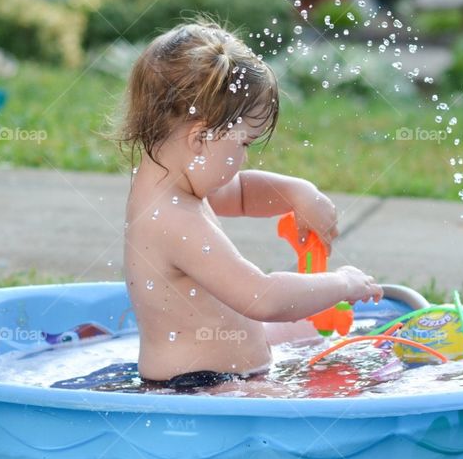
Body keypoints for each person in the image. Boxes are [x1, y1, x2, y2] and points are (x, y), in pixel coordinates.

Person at [111, 21, 383, 390]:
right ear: (201, 137)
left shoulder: (173, 181)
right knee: (324, 400)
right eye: (244, 144)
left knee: (306, 332)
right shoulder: (171, 220)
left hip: (221, 373)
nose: (244, 159)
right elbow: (263, 297)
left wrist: (298, 194)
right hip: (196, 389)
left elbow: (239, 193)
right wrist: (342, 283)